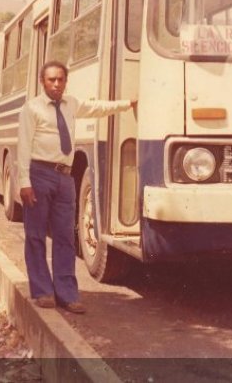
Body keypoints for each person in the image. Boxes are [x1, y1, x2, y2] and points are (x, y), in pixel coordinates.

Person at [17, 60, 136, 314]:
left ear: (65, 81)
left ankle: (67, 293)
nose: (56, 84)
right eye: (51, 80)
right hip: (39, 174)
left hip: (65, 178)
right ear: (42, 82)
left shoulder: (71, 103)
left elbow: (96, 108)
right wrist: (24, 182)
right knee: (36, 236)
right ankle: (42, 291)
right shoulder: (32, 108)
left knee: (64, 237)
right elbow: (23, 147)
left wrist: (127, 104)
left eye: (60, 79)